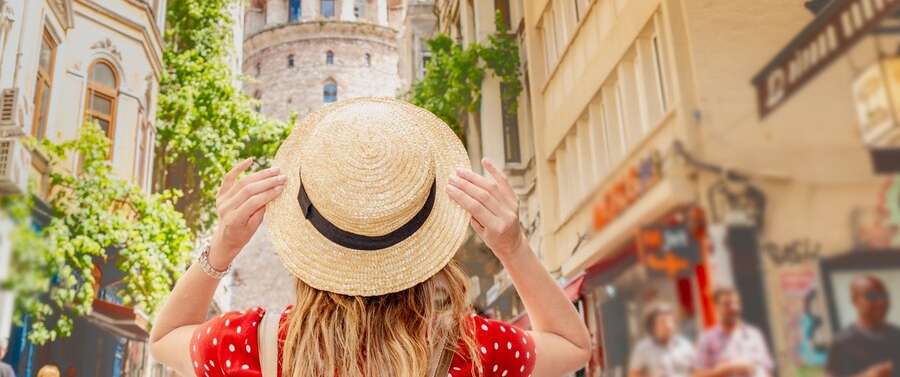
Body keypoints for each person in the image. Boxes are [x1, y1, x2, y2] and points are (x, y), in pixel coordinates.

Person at [150, 97, 592, 377]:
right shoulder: (472, 352)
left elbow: (164, 336)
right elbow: (573, 346)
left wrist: (223, 247)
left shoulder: (249, 344)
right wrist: (512, 247)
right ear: (424, 243)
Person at [825, 275, 900, 377]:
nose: (881, 302)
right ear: (855, 300)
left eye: (884, 296)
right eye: (872, 296)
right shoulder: (843, 341)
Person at [692, 287, 774, 377]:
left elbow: (767, 370)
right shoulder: (707, 339)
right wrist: (729, 367)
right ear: (717, 307)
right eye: (727, 304)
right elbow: (698, 374)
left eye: (736, 303)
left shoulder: (754, 335)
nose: (733, 308)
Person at [628, 303, 695, 377]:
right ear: (653, 326)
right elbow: (633, 375)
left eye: (671, 321)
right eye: (663, 322)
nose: (668, 326)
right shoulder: (642, 349)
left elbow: (696, 370)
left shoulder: (685, 345)